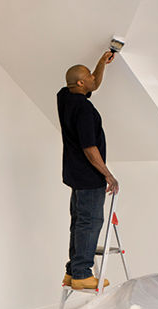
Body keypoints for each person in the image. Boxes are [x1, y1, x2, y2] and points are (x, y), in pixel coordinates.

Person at [57, 50, 120, 290]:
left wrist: (102, 63)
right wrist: (108, 175)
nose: (95, 79)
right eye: (90, 77)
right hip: (88, 176)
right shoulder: (83, 109)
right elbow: (90, 148)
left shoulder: (64, 96)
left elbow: (93, 81)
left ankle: (72, 271)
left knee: (78, 222)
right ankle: (83, 273)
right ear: (82, 83)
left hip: (74, 174)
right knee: (90, 222)